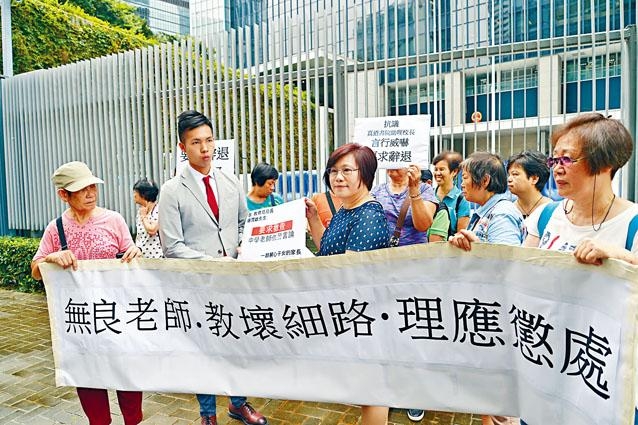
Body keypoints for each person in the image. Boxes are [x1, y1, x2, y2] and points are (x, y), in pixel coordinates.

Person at [158, 110, 267, 425]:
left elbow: (245, 224)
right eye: (196, 142)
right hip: (196, 285)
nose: (205, 148)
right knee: (202, 350)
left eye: (209, 140)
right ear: (182, 147)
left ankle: (238, 403)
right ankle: (207, 414)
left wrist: (245, 245)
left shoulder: (231, 180)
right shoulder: (171, 190)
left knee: (237, 342)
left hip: (233, 282)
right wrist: (213, 263)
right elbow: (172, 246)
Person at [31, 161, 143, 425]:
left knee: (128, 379)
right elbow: (36, 269)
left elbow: (131, 255)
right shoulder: (56, 228)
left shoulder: (114, 220)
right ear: (63, 195)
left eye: (93, 186)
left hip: (116, 317)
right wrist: (50, 258)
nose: (91, 193)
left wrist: (135, 252)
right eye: (82, 189)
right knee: (89, 382)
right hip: (80, 323)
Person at [305, 143, 389, 425]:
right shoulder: (347, 208)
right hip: (348, 314)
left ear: (365, 174)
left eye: (347, 171)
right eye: (333, 171)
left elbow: (347, 274)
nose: (338, 177)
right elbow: (327, 250)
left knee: (371, 391)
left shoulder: (369, 215)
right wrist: (313, 218)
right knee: (364, 388)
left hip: (363, 317)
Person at [448, 152, 524, 425]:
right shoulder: (486, 212)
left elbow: (508, 265)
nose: (462, 184)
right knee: (490, 399)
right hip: (488, 313)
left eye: (466, 177)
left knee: (500, 404)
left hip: (498, 318)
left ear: (486, 180)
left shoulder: (501, 214)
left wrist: (475, 248)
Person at [524, 113, 638, 266]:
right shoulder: (544, 216)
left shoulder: (632, 223)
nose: (557, 169)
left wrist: (622, 257)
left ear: (606, 164)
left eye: (567, 159)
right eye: (554, 160)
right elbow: (523, 272)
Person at [370, 165, 439, 247]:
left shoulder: (424, 189)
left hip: (414, 252)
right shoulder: (377, 190)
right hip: (383, 252)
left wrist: (414, 189)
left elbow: (423, 226)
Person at [506, 151, 551, 223]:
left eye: (515, 174)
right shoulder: (509, 211)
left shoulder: (551, 210)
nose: (509, 179)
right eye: (509, 175)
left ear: (534, 179)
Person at [432, 151, 471, 235]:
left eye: (442, 169)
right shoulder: (429, 195)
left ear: (454, 172)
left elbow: (461, 234)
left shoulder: (461, 200)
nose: (437, 173)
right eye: (436, 169)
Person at [133, 178, 163, 258]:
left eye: (135, 192)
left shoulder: (159, 210)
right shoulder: (141, 211)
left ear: (143, 195)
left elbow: (152, 230)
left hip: (156, 258)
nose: (134, 195)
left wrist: (143, 217)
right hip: (142, 257)